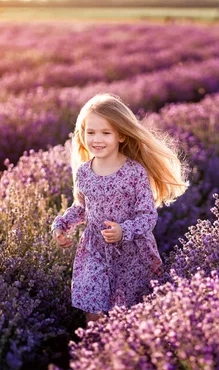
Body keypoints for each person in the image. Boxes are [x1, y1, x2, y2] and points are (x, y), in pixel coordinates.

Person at [51, 93, 189, 325]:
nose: (97, 139)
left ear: (122, 135)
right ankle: (96, 351)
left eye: (106, 133)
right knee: (93, 306)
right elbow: (82, 208)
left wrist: (123, 230)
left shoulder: (134, 172)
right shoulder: (84, 172)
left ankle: (124, 351)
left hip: (130, 251)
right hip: (94, 248)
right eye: (90, 132)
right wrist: (62, 225)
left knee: (128, 311)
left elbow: (147, 216)